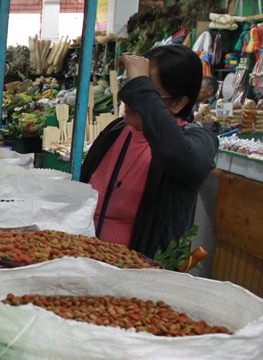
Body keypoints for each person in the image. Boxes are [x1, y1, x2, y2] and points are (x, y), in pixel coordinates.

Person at [80, 45, 219, 258]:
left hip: (139, 269)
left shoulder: (197, 139)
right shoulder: (116, 130)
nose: (130, 98)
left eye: (147, 92)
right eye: (130, 85)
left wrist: (140, 88)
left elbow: (180, 156)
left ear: (178, 103)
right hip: (85, 258)